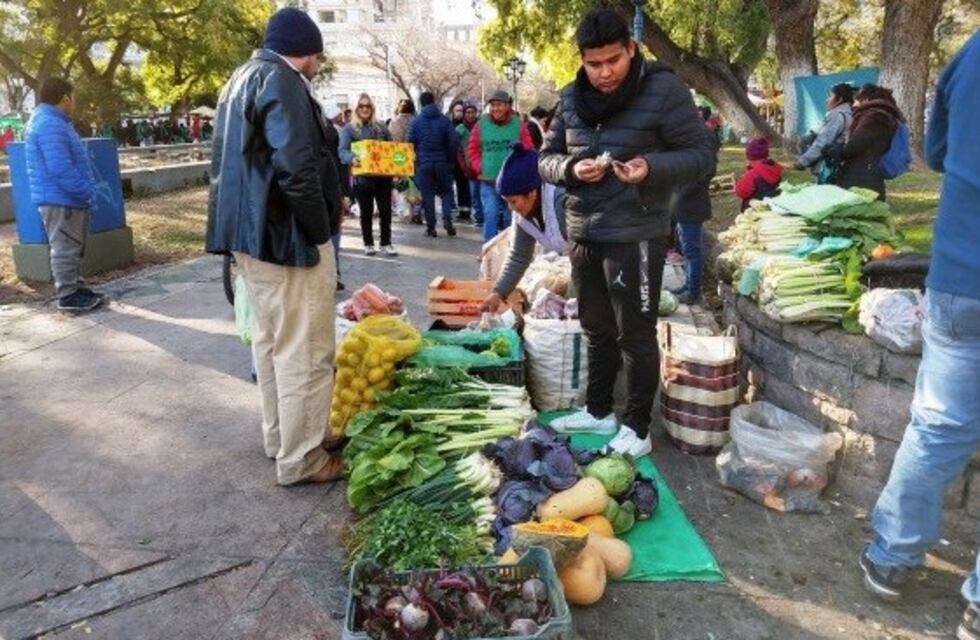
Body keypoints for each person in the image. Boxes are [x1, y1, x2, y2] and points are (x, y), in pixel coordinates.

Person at [540, 8, 716, 456]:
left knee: (634, 333)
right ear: (581, 59)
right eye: (593, 63)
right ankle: (599, 411)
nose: (604, 73)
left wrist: (650, 168)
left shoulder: (664, 89)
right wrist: (571, 169)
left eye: (613, 61)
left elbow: (700, 155)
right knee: (595, 327)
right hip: (584, 230)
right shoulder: (569, 97)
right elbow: (546, 158)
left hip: (637, 231)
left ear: (631, 49)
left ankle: (638, 427)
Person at [859, 32, 980, 640]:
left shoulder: (972, 54)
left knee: (936, 426)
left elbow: (935, 150)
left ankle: (892, 557)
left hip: (962, 275)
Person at [206, 7, 343, 485]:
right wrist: (319, 229)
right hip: (286, 239)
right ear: (304, 51)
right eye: (317, 56)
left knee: (271, 343)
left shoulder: (241, 77)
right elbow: (297, 167)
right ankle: (303, 459)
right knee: (304, 350)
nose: (318, 66)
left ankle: (282, 438)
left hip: (251, 238)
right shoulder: (281, 81)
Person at [24, 78, 102, 312]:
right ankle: (67, 296)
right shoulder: (50, 124)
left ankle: (75, 287)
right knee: (65, 247)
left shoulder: (52, 121)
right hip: (61, 198)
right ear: (65, 98)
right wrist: (84, 190)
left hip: (64, 197)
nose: (74, 102)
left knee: (72, 246)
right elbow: (59, 167)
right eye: (73, 97)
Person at [480, 143, 567, 312]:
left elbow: (589, 251)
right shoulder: (522, 215)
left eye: (513, 201)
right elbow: (519, 256)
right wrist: (498, 293)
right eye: (506, 202)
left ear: (532, 193)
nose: (511, 208)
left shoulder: (562, 203)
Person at [467, 90, 534, 241]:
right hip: (488, 181)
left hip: (512, 182)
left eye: (499, 105)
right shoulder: (481, 124)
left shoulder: (518, 124)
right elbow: (472, 149)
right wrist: (480, 166)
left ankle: (510, 249)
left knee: (510, 218)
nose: (495, 108)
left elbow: (529, 148)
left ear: (507, 106)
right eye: (492, 105)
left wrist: (521, 153)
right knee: (490, 215)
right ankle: (489, 249)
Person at [339, 93, 397, 256]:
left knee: (385, 211)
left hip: (383, 178)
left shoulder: (381, 127)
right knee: (366, 212)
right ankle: (368, 243)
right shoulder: (349, 129)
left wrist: (399, 163)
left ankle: (386, 243)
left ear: (372, 108)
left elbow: (392, 149)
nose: (365, 109)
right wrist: (352, 158)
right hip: (363, 179)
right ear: (357, 109)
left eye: (368, 106)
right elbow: (342, 151)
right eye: (361, 106)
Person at [833, 83, 904, 201]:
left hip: (861, 177)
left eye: (856, 100)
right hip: (870, 174)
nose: (854, 104)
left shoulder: (873, 116)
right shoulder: (884, 115)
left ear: (866, 99)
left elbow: (856, 144)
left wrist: (838, 150)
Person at [409, 91, 458, 238]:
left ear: (421, 103)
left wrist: (415, 162)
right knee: (447, 192)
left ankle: (431, 228)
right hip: (442, 162)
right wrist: (450, 160)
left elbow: (410, 143)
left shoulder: (416, 122)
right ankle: (447, 218)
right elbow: (453, 141)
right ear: (434, 101)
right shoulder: (444, 120)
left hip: (424, 164)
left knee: (427, 195)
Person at [794, 83, 854, 183]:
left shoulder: (837, 116)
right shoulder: (848, 114)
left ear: (840, 99)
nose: (827, 100)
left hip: (829, 166)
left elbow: (822, 142)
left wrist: (803, 161)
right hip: (840, 165)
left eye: (830, 96)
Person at [735, 136, 783, 211]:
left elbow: (741, 192)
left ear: (750, 157)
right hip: (774, 206)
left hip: (755, 210)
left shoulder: (752, 174)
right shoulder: (775, 168)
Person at [456, 103, 484, 229]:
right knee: (474, 194)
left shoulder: (482, 127)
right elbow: (457, 149)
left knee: (484, 193)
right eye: (468, 112)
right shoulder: (460, 129)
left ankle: (484, 217)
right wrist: (463, 164)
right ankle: (478, 217)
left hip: (483, 165)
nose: (470, 115)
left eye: (473, 112)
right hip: (469, 166)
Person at [448, 100, 472, 221]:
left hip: (464, 160)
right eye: (457, 110)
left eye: (461, 111)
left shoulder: (465, 126)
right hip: (454, 161)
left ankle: (466, 211)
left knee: (465, 186)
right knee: (458, 185)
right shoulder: (450, 124)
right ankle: (461, 210)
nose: (459, 113)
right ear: (452, 111)